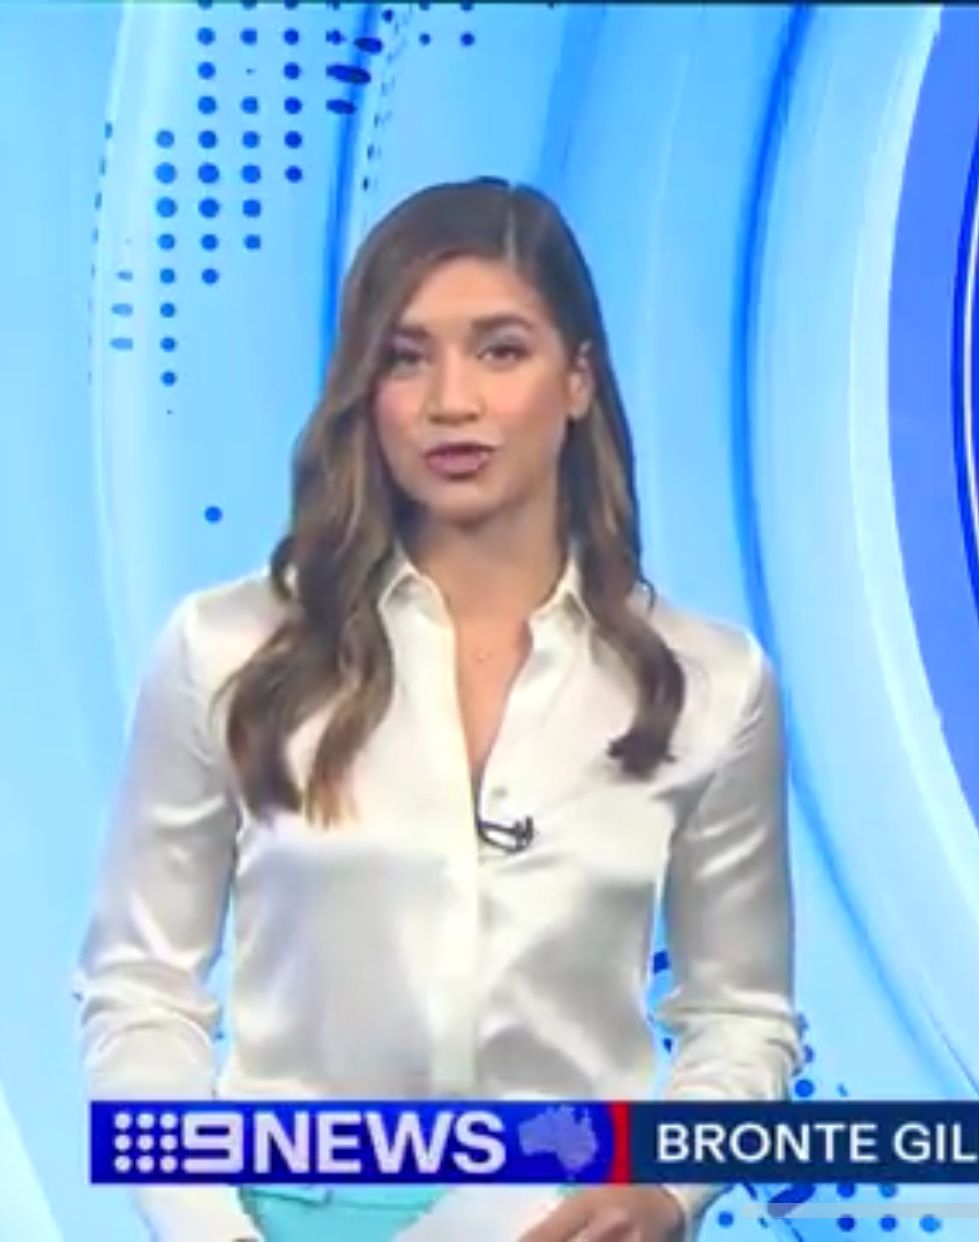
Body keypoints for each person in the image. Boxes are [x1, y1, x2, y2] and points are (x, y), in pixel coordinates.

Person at [74, 178, 799, 1242]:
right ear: (364, 390)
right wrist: (210, 1231)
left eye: (500, 351)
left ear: (578, 380)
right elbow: (140, 991)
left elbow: (742, 1020)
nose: (450, 402)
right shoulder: (227, 652)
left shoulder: (709, 683)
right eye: (406, 358)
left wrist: (663, 1191)